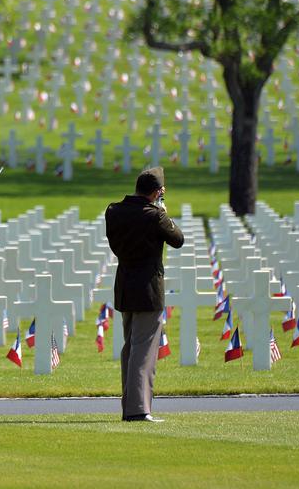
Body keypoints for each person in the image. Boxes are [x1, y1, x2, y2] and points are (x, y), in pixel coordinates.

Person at [105, 166, 184, 423]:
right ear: (156, 192)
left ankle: (130, 405)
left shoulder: (113, 211)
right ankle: (139, 409)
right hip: (148, 288)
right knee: (144, 351)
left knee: (130, 349)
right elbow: (177, 239)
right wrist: (163, 211)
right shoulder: (155, 216)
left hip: (126, 286)